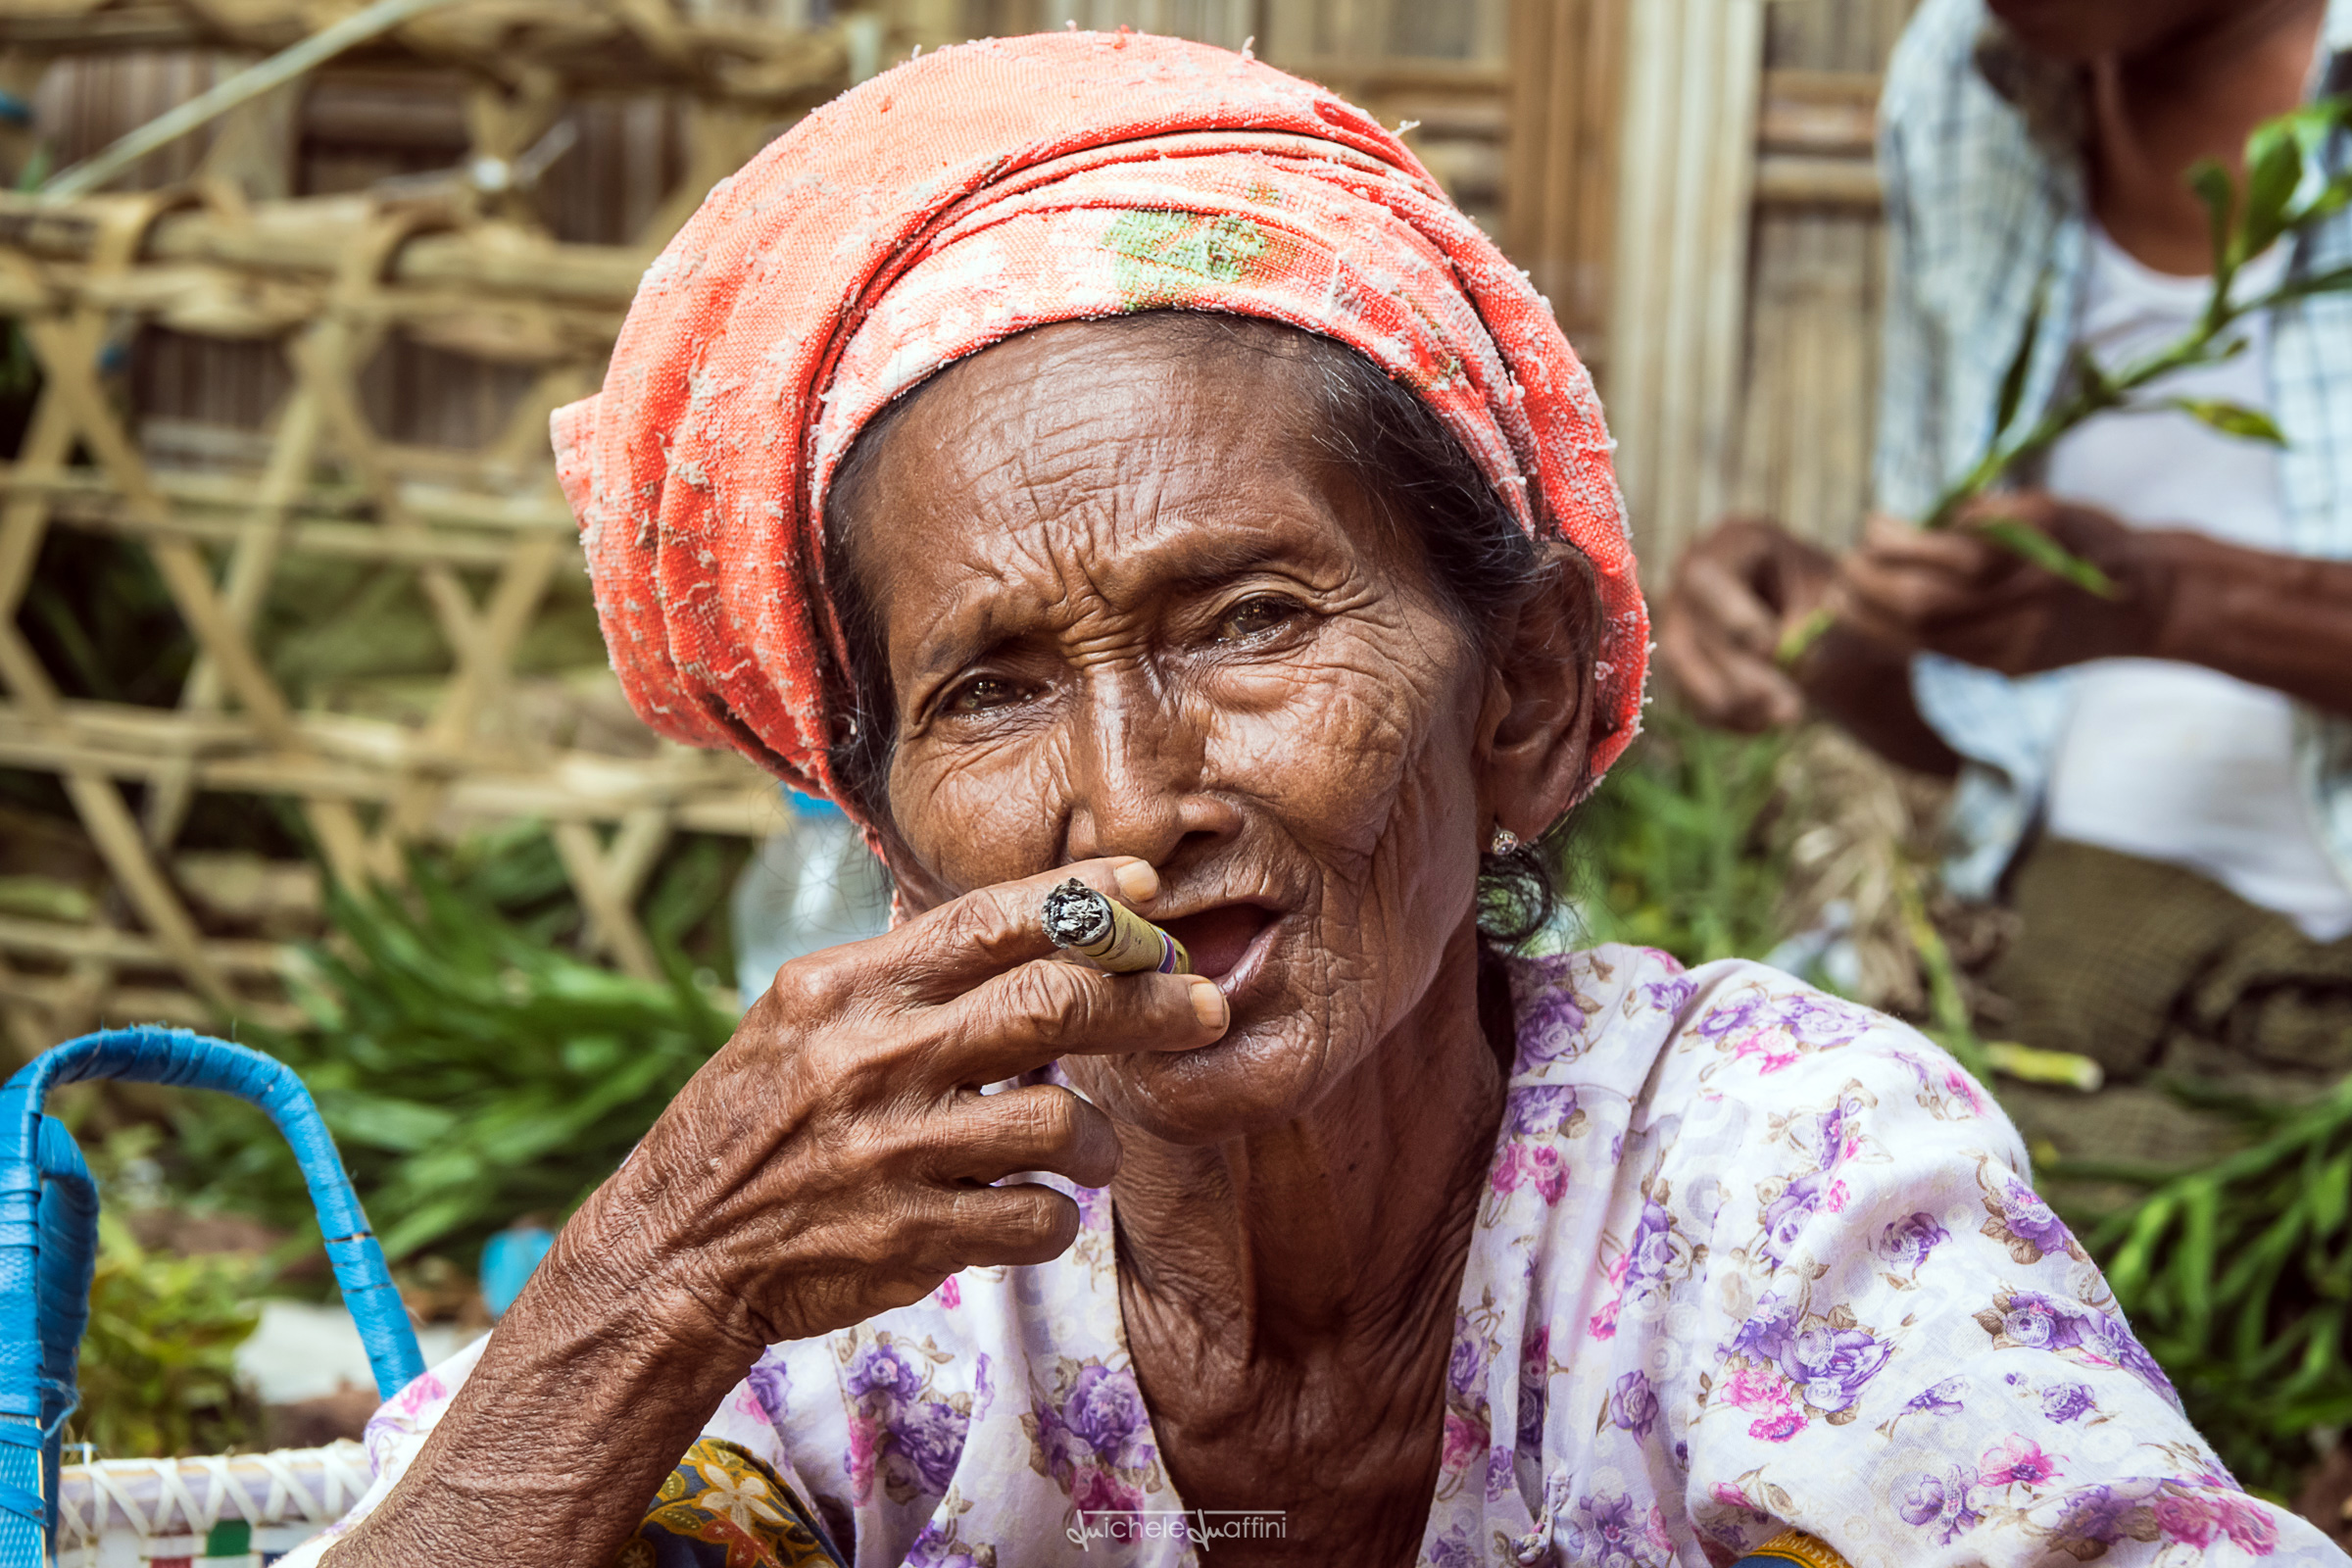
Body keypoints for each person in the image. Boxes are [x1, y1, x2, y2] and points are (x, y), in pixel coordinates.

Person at [287, 32, 2336, 1568]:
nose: (1129, 796)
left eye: (1249, 620)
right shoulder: (876, 1282)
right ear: (896, 842)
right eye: (990, 688)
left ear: (1522, 697)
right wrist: (649, 1281)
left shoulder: (1765, 1182)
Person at [1660, 0, 2352, 1160]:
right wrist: (1827, 631)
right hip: (2057, 965)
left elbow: (2119, 603)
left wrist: (2166, 601)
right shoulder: (1961, 84)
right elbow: (1968, 730)